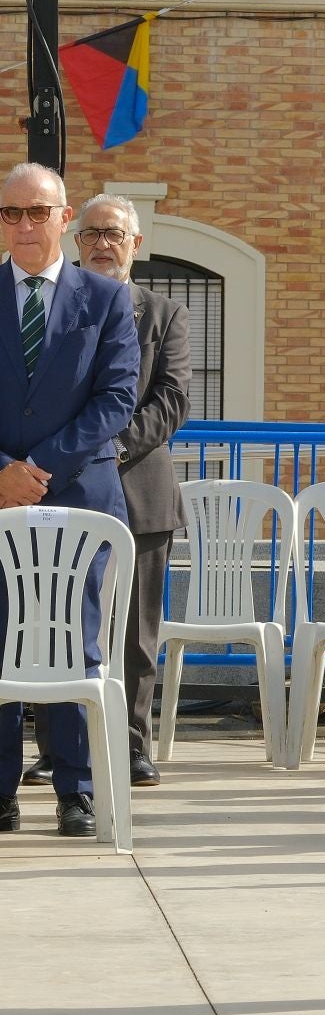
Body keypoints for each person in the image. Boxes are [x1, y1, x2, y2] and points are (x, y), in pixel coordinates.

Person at [0, 164, 139, 840]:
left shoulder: (107, 300)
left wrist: (36, 469)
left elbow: (116, 399)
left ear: (64, 219)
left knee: (74, 640)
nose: (25, 225)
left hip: (79, 500)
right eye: (12, 213)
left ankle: (75, 791)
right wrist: (2, 474)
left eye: (38, 212)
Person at [76, 193, 191, 789]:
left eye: (114, 234)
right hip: (63, 492)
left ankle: (131, 743)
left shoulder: (163, 313)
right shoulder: (58, 308)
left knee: (135, 634)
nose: (102, 243)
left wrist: (109, 451)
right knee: (64, 625)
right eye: (91, 232)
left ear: (135, 246)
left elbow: (171, 399)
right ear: (76, 243)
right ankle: (64, 747)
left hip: (139, 489)